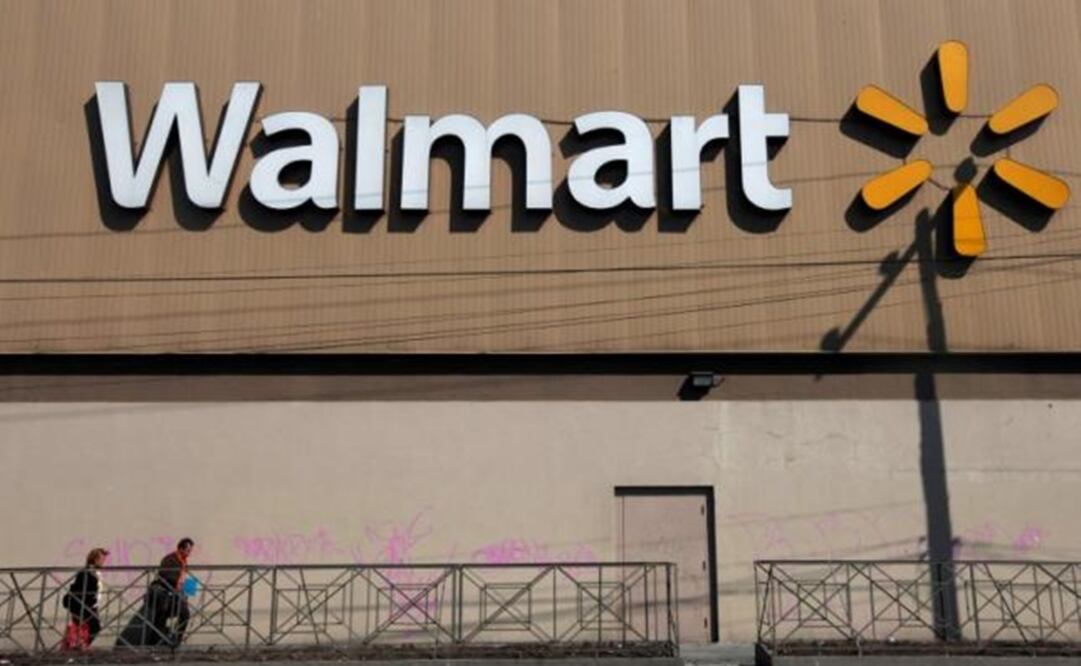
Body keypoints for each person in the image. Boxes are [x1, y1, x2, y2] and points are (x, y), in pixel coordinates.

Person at [149, 538, 194, 647]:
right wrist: (183, 587)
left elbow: (184, 577)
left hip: (176, 595)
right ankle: (156, 641)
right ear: (180, 549)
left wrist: (189, 589)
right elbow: (166, 577)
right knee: (161, 618)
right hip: (165, 595)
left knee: (184, 614)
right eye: (188, 550)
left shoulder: (183, 561)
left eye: (190, 551)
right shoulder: (169, 559)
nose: (189, 553)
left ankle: (175, 640)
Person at [62, 548, 109, 648]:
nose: (103, 562)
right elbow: (81, 589)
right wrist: (89, 602)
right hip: (84, 605)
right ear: (95, 559)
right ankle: (80, 646)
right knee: (93, 627)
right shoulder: (86, 573)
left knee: (84, 627)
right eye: (102, 559)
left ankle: (79, 646)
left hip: (90, 605)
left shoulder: (95, 572)